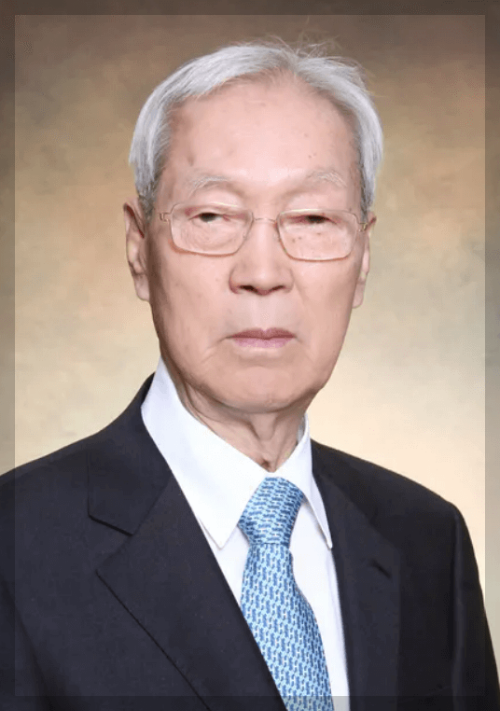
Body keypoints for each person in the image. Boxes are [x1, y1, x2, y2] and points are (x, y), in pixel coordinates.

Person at [1, 40, 498, 711]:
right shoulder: (17, 547)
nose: (263, 273)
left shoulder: (428, 540)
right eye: (212, 216)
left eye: (313, 218)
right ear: (139, 250)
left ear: (363, 258)